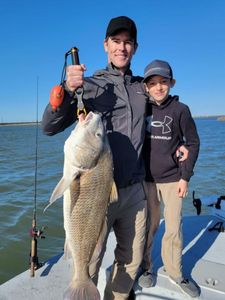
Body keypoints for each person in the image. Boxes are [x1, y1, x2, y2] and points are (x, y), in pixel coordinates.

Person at [42, 16, 148, 300]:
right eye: (116, 41)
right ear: (105, 45)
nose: (121, 48)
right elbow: (49, 127)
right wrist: (65, 91)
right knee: (90, 258)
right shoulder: (89, 85)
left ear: (135, 48)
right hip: (97, 190)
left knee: (132, 259)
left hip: (135, 191)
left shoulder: (142, 89)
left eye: (128, 42)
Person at [138, 59, 200, 298]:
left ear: (172, 83)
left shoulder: (181, 110)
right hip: (146, 180)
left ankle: (176, 273)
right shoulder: (142, 108)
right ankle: (146, 267)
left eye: (163, 82)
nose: (158, 87)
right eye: (152, 83)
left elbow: (193, 144)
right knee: (149, 227)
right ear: (146, 86)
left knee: (174, 228)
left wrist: (185, 178)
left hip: (174, 179)